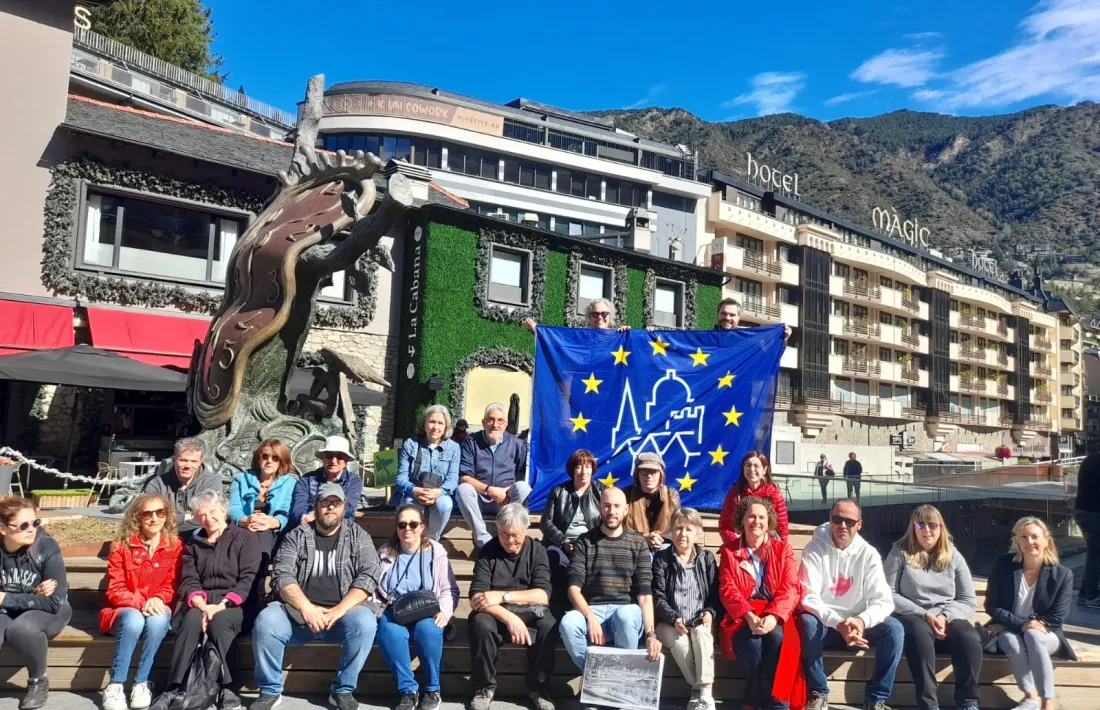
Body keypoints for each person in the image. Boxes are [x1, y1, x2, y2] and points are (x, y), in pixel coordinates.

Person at [251, 483, 381, 710]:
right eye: (325, 503)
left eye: (336, 503)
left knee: (366, 622)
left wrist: (339, 610)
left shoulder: (358, 535)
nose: (330, 508)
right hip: (298, 615)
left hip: (341, 616)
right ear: (316, 506)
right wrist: (307, 608)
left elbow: (369, 575)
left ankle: (342, 690)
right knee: (266, 620)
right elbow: (282, 575)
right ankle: (271, 690)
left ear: (344, 507)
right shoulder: (297, 536)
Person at [152, 492, 259, 710]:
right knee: (189, 623)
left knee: (220, 623)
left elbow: (247, 578)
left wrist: (219, 607)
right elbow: (189, 579)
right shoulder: (194, 543)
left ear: (223, 511)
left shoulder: (244, 538)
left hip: (234, 604)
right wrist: (202, 607)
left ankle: (229, 688)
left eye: (212, 512)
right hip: (201, 602)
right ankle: (173, 688)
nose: (208, 518)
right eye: (202, 514)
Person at [798, 499, 902, 710]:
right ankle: (819, 692)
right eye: (837, 519)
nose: (842, 525)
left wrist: (860, 621)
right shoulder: (814, 549)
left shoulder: (869, 554)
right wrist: (839, 623)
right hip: (826, 625)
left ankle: (876, 699)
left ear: (859, 524)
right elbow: (808, 597)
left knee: (895, 630)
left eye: (849, 521)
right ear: (830, 518)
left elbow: (883, 600)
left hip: (858, 627)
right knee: (806, 622)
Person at [882, 505, 982, 710]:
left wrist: (945, 616)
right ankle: (929, 704)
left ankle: (968, 702)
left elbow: (968, 599)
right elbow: (888, 593)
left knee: (969, 638)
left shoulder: (953, 555)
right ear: (913, 527)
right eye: (920, 524)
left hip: (946, 616)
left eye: (932, 525)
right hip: (911, 615)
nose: (926, 530)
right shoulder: (898, 552)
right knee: (919, 632)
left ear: (941, 527)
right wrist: (924, 614)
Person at [559, 487, 662, 673]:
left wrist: (650, 634)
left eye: (616, 506)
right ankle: (595, 676)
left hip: (625, 610)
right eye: (607, 506)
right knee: (568, 623)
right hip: (592, 609)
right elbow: (573, 588)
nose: (612, 511)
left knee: (626, 615)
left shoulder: (638, 543)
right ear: (600, 508)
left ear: (625, 510)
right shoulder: (585, 541)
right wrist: (589, 616)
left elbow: (645, 594)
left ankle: (621, 677)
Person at [717, 497, 803, 710]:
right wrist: (748, 615)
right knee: (751, 646)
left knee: (777, 639)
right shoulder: (729, 551)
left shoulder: (783, 550)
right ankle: (756, 697)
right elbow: (727, 589)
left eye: (762, 517)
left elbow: (790, 587)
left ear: (769, 521)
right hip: (744, 614)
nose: (757, 521)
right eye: (751, 516)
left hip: (776, 612)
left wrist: (774, 616)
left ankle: (772, 699)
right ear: (742, 520)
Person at [468, 503, 556, 710]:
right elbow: (476, 597)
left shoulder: (537, 551)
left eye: (515, 535)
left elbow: (542, 595)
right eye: (503, 534)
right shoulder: (488, 551)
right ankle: (484, 687)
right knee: (481, 624)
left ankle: (539, 688)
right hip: (496, 616)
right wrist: (510, 618)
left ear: (525, 530)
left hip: (530, 611)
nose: (509, 540)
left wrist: (502, 595)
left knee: (548, 625)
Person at [100, 494, 183, 710]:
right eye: (147, 513)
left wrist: (158, 598)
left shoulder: (174, 546)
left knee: (157, 621)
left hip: (158, 607)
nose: (154, 518)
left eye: (160, 512)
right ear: (137, 517)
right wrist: (142, 602)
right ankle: (116, 685)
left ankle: (141, 683)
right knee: (135, 620)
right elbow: (115, 590)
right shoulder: (121, 546)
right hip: (123, 612)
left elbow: (171, 584)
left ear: (167, 515)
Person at [985, 516, 1076, 710]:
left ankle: (1046, 701)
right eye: (1023, 537)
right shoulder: (1004, 565)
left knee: (1033, 635)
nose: (1029, 542)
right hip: (1010, 631)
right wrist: (1019, 625)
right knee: (1011, 641)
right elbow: (992, 605)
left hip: (1046, 634)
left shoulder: (1062, 575)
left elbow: (1056, 617)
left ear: (1046, 541)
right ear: (1017, 541)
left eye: (1034, 537)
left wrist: (1021, 625)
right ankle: (1030, 696)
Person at [374, 505, 458, 710]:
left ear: (422, 527)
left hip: (427, 610)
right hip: (394, 609)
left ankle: (432, 689)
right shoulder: (385, 552)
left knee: (428, 630)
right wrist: (376, 610)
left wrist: (445, 612)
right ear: (396, 528)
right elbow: (372, 587)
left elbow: (449, 589)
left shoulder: (435, 552)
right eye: (402, 525)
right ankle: (408, 691)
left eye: (413, 524)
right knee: (388, 630)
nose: (407, 529)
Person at [0, 498, 70, 710]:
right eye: (23, 525)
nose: (32, 530)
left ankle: (39, 681)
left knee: (21, 628)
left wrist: (5, 597)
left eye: (35, 523)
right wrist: (31, 592)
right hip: (12, 608)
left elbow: (52, 602)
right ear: (2, 529)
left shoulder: (46, 546)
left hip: (50, 611)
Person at [653, 508, 721, 710]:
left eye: (689, 529)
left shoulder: (706, 558)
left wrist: (710, 611)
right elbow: (658, 596)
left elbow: (715, 594)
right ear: (671, 531)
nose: (683, 534)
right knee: (681, 642)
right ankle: (697, 689)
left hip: (699, 619)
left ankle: (705, 696)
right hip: (669, 622)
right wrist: (674, 618)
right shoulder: (662, 559)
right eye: (678, 528)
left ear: (697, 532)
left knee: (701, 635)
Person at [228, 439, 296, 623]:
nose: (269, 461)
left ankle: (249, 593)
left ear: (282, 462)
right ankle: (250, 596)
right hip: (244, 530)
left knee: (263, 535)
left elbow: (285, 510)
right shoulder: (242, 479)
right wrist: (245, 520)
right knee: (252, 536)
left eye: (275, 458)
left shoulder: (289, 483)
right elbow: (234, 508)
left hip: (271, 534)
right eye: (265, 456)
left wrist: (272, 522)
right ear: (258, 458)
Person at [456, 403, 532, 548]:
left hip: (506, 502)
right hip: (479, 499)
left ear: (506, 424)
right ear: (484, 422)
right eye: (490, 420)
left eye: (500, 421)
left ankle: (507, 530)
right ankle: (484, 541)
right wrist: (490, 490)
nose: (495, 424)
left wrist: (504, 491)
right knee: (463, 489)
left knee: (523, 487)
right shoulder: (471, 442)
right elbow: (464, 477)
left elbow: (525, 473)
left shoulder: (516, 444)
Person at [540, 448, 605, 611]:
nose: (584, 471)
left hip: (591, 543)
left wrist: (588, 543)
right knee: (553, 559)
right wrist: (563, 540)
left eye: (588, 466)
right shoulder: (558, 491)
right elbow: (546, 522)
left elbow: (608, 521)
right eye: (579, 467)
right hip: (562, 544)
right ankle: (558, 607)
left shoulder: (601, 491)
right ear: (572, 469)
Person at [393, 404, 460, 541]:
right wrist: (415, 490)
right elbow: (400, 478)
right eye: (432, 422)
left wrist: (439, 492)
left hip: (440, 493)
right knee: (409, 502)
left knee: (445, 504)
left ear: (446, 427)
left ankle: (431, 539)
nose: (435, 427)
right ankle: (412, 540)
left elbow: (453, 479)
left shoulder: (453, 448)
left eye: (440, 423)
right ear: (424, 424)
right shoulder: (410, 444)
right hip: (414, 492)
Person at [142, 438, 221, 536]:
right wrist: (185, 517)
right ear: (174, 459)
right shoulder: (156, 485)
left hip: (197, 538)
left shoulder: (211, 482)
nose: (188, 465)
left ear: (200, 461)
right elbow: (150, 518)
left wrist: (170, 522)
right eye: (183, 460)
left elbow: (208, 519)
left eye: (193, 461)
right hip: (162, 537)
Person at [717, 450, 790, 545]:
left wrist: (780, 551)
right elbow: (725, 526)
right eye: (748, 465)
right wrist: (736, 545)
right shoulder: (735, 493)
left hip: (768, 547)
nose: (751, 469)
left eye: (756, 466)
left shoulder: (774, 494)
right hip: (740, 547)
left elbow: (782, 529)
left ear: (764, 469)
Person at [290, 435, 363, 528]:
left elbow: (348, 510)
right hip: (308, 527)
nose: (333, 461)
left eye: (340, 456)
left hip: (340, 530)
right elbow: (298, 508)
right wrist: (304, 518)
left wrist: (316, 515)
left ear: (346, 460)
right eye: (329, 455)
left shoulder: (353, 481)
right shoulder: (306, 480)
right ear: (322, 457)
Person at [624, 452, 681, 552]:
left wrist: (658, 537)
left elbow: (677, 525)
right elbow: (620, 528)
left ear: (660, 474)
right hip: (634, 545)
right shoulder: (626, 495)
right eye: (644, 471)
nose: (649, 476)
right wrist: (643, 537)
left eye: (654, 471)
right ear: (637, 474)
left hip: (663, 544)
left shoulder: (671, 495)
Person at [1074, 453, 1100, 607]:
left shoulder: (1090, 459)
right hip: (1094, 514)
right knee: (1096, 555)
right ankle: (1090, 594)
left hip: (1084, 511)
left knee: (1094, 554)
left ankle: (1085, 592)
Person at [523, 298, 629, 332]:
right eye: (595, 314)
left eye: (604, 314)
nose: (600, 317)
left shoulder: (619, 337)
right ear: (589, 317)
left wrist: (628, 335)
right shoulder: (579, 337)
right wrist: (535, 329)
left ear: (610, 317)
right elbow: (557, 342)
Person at [714, 297, 792, 340]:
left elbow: (768, 358)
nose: (727, 318)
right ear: (718, 315)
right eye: (723, 313)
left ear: (738, 318)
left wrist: (783, 339)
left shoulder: (745, 341)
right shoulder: (705, 339)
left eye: (732, 315)